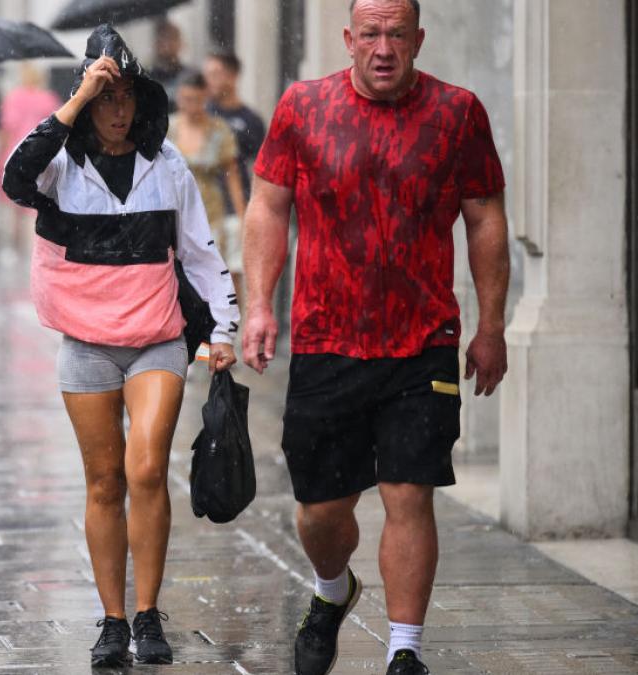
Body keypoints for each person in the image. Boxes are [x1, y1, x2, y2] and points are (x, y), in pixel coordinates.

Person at [242, 1, 510, 674]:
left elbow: (484, 218)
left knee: (408, 491)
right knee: (319, 511)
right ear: (349, 39)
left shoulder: (458, 113)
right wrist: (258, 307)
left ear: (419, 38)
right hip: (328, 337)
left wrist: (491, 325)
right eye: (371, 34)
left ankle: (404, 650)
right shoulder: (303, 107)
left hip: (422, 340)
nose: (383, 47)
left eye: (396, 34)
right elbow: (269, 205)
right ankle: (333, 588)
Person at [3, 25, 239, 669]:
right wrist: (76, 100)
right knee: (104, 482)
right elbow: (12, 177)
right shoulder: (59, 166)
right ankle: (112, 622)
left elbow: (199, 249)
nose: (116, 109)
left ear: (141, 101)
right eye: (105, 97)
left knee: (145, 470)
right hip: (86, 345)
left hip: (157, 339)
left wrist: (223, 330)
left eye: (124, 96)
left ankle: (146, 612)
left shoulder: (166, 165)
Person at [168, 72, 247, 304]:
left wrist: (243, 216)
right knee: (177, 274)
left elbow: (232, 175)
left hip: (209, 210)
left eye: (195, 99)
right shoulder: (168, 128)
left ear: (204, 97)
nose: (189, 105)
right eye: (185, 98)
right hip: (173, 211)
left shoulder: (219, 129)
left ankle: (220, 327)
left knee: (216, 274)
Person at [203, 52, 266, 289]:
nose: (210, 80)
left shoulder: (250, 120)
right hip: (204, 205)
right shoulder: (202, 115)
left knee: (233, 275)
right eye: (207, 75)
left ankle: (231, 326)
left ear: (233, 76)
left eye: (215, 74)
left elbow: (259, 167)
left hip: (236, 208)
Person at [0, 63, 60, 260]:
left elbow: (7, 128)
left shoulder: (13, 98)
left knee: (12, 205)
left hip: (15, 154)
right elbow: (58, 129)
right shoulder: (49, 99)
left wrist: (0, 156)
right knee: (36, 206)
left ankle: (11, 250)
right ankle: (35, 249)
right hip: (42, 158)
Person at [149, 19, 186, 111]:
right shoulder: (146, 76)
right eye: (163, 39)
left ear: (180, 43)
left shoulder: (190, 76)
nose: (167, 44)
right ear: (156, 44)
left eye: (172, 39)